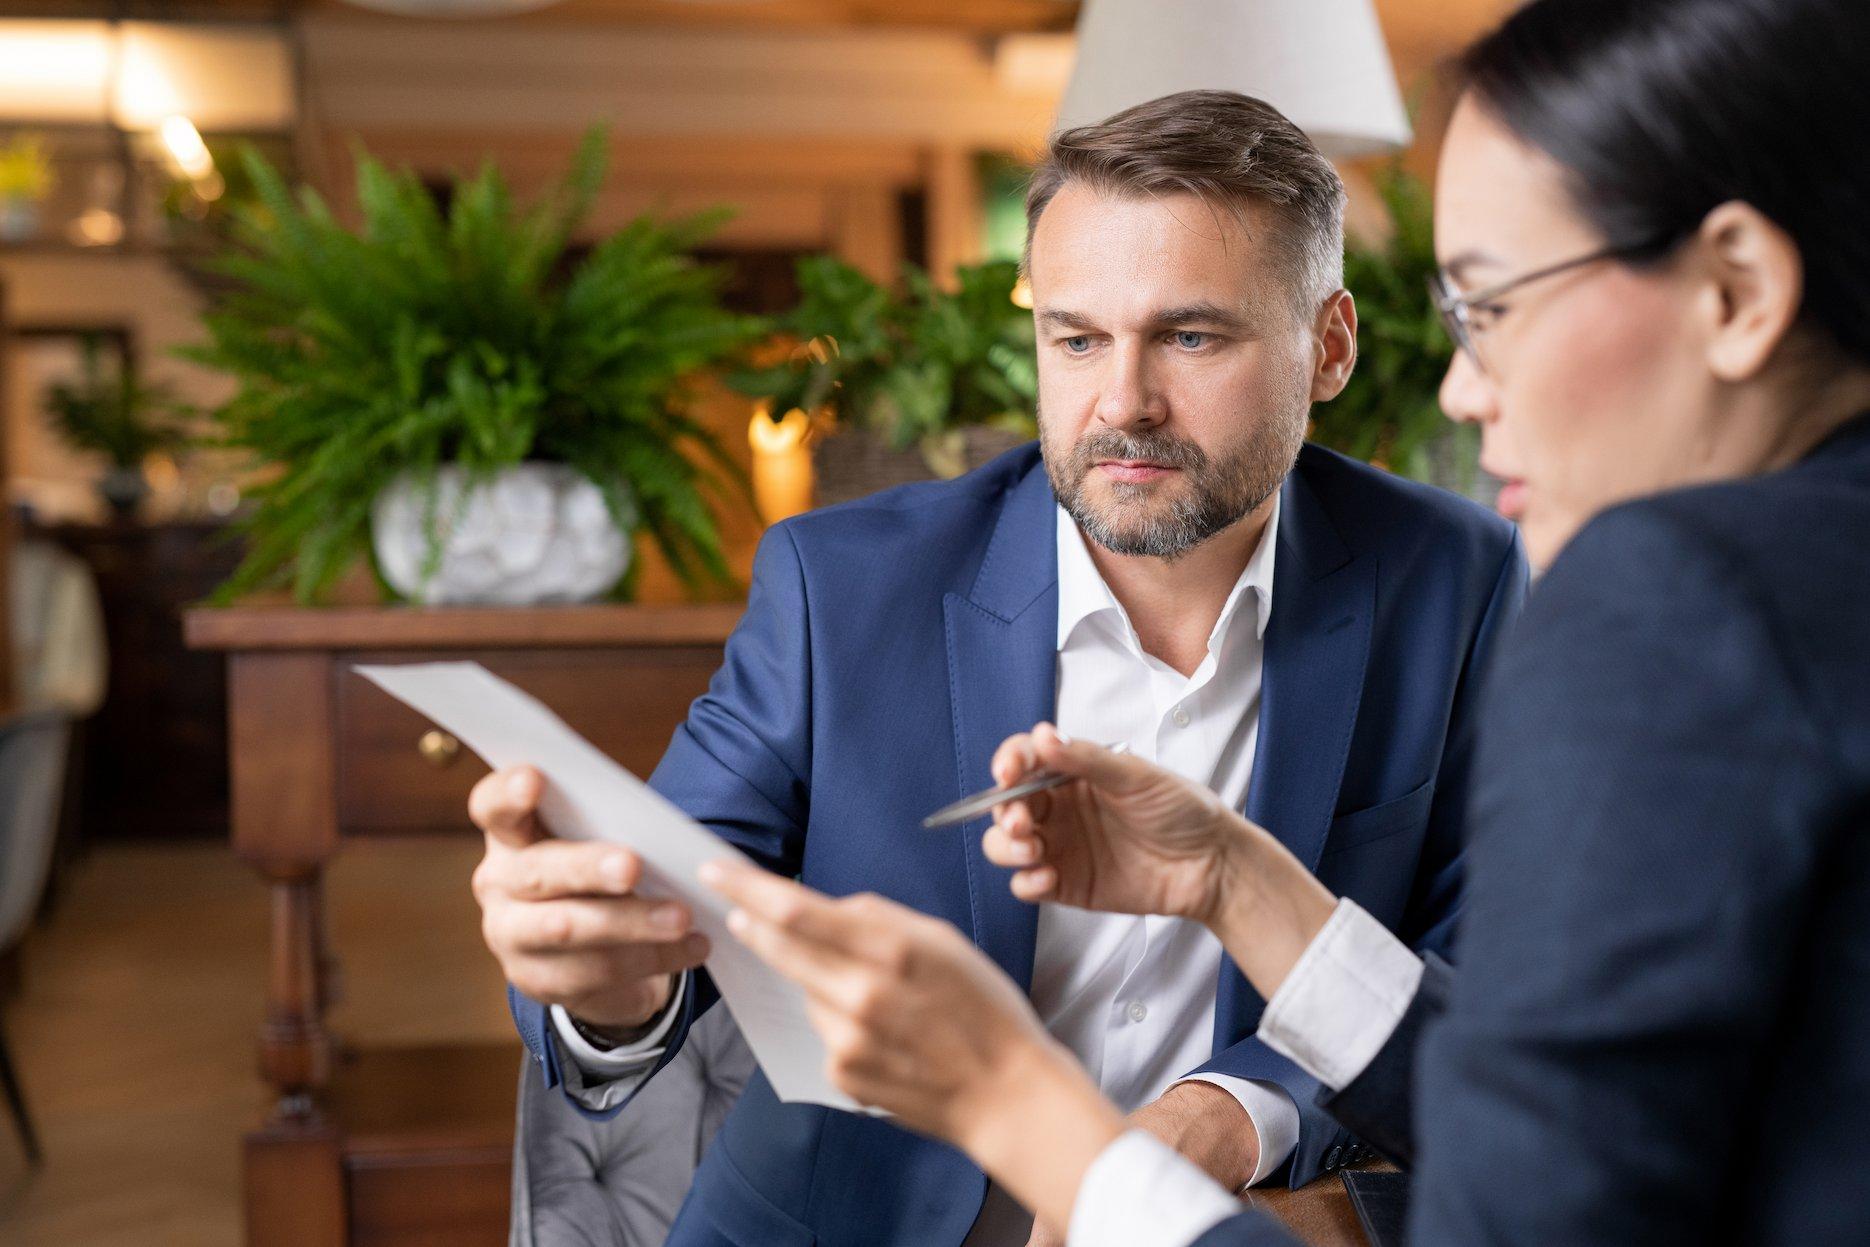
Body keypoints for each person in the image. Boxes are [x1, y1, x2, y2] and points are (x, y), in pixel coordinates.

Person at [702, 0, 1870, 1243]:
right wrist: (1235, 876)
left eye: (1492, 304)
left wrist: (1026, 1109)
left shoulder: (1664, 600)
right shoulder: (838, 580)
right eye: (1074, 336)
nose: (1465, 389)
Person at [467, 90, 1526, 1244]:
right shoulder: (842, 588)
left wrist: (1230, 1109)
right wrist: (610, 991)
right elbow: (661, 900)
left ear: (1327, 345)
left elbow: (1480, 966)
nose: (1121, 403)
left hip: (1230, 1212)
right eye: (1075, 338)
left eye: (1190, 335)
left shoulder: (1454, 576)